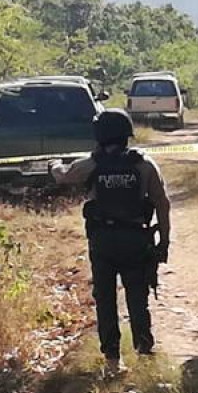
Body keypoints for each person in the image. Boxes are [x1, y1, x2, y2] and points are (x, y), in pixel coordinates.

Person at [49, 109, 171, 374]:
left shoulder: (91, 164)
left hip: (103, 240)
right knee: (138, 297)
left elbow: (63, 176)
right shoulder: (144, 164)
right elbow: (162, 204)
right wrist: (165, 241)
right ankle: (145, 354)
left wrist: (54, 163)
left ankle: (113, 361)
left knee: (105, 299)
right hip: (136, 239)